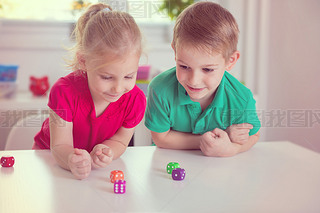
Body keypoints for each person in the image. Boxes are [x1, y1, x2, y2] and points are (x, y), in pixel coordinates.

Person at [34, 3, 146, 179]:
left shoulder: (135, 101)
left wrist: (108, 151)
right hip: (48, 162)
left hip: (92, 171)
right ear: (84, 61)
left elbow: (121, 140)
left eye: (129, 76)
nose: (118, 88)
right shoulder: (63, 92)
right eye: (107, 77)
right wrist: (70, 159)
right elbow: (59, 146)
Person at [145, 2, 261, 157]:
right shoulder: (160, 89)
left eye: (207, 69)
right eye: (184, 66)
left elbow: (253, 135)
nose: (194, 80)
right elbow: (161, 138)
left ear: (230, 61)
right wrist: (208, 140)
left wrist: (231, 148)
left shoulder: (241, 98)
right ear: (175, 51)